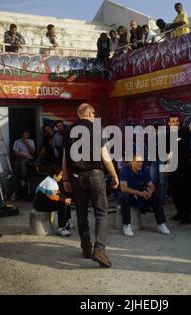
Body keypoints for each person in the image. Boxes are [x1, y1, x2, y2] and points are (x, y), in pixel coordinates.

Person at [62, 103, 119, 268]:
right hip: (95, 175)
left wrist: (65, 179)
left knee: (81, 213)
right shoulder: (97, 128)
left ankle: (86, 249)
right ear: (90, 113)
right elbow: (104, 155)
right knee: (101, 212)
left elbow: (65, 158)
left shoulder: (67, 131)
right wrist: (114, 175)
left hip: (76, 177)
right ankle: (99, 250)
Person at [167, 114, 191, 225]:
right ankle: (179, 213)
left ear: (178, 123)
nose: (174, 123)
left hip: (184, 168)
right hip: (172, 168)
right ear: (169, 123)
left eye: (176, 121)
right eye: (172, 121)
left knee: (184, 192)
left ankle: (186, 216)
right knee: (174, 192)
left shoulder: (183, 132)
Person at [119, 154, 170, 237]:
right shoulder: (125, 170)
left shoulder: (144, 170)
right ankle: (126, 225)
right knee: (125, 197)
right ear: (131, 162)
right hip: (130, 195)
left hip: (141, 195)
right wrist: (139, 193)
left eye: (141, 161)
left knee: (156, 196)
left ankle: (161, 224)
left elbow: (151, 185)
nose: (140, 164)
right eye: (138, 161)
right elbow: (123, 188)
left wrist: (150, 192)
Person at [33, 164, 72, 237]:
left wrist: (65, 198)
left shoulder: (52, 181)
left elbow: (57, 193)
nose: (61, 177)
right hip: (40, 205)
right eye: (60, 175)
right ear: (55, 175)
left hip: (46, 201)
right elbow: (52, 197)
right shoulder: (49, 182)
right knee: (62, 204)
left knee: (65, 201)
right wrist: (63, 200)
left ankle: (66, 222)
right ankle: (61, 228)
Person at [11, 131, 36, 201]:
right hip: (20, 158)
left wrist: (27, 144)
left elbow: (32, 152)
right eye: (25, 135)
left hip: (28, 159)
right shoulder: (17, 142)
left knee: (21, 164)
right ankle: (21, 181)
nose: (26, 137)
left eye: (28, 135)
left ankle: (22, 179)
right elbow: (16, 153)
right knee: (16, 167)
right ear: (22, 135)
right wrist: (25, 155)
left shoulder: (31, 141)